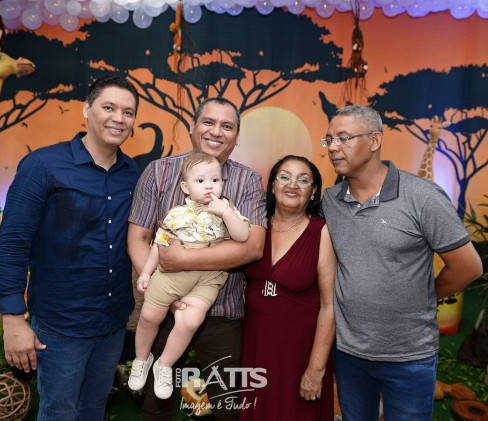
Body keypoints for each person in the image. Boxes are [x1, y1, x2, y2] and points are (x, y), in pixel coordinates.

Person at [0, 75, 141, 420]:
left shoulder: (132, 172)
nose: (119, 118)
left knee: (94, 407)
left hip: (113, 321)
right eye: (109, 107)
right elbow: (12, 245)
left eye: (128, 112)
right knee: (58, 412)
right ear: (86, 109)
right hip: (61, 325)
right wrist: (13, 320)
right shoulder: (42, 166)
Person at [320, 105, 483, 421]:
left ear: (374, 140)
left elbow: (468, 267)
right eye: (329, 139)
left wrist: (425, 295)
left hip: (409, 356)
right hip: (349, 353)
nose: (333, 147)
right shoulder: (330, 201)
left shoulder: (422, 196)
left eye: (343, 138)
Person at [127, 97, 267, 421]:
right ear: (192, 127)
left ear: (236, 136)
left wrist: (182, 260)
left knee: (225, 407)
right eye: (208, 122)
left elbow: (251, 248)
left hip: (222, 309)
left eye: (227, 126)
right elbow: (138, 238)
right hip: (166, 307)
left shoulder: (247, 181)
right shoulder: (159, 171)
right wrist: (162, 288)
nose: (216, 131)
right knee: (157, 405)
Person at [128, 152, 251, 399]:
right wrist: (146, 273)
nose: (209, 186)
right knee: (150, 316)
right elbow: (159, 245)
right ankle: (142, 359)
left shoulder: (227, 210)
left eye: (215, 180)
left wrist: (227, 213)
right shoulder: (176, 214)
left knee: (191, 321)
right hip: (172, 275)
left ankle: (164, 365)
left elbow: (243, 236)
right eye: (200, 181)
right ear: (185, 187)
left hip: (208, 277)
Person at [239, 155, 336, 420]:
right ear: (272, 185)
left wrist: (316, 369)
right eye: (284, 177)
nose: (292, 185)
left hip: (299, 352)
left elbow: (329, 306)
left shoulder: (321, 232)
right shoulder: (255, 226)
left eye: (303, 180)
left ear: (313, 191)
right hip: (255, 345)